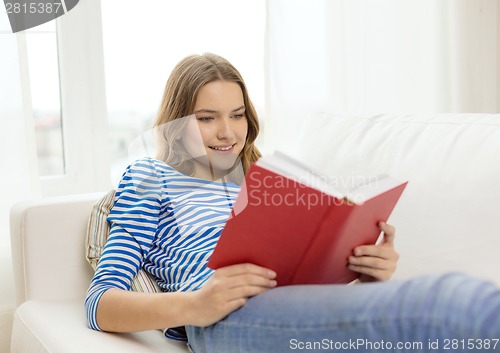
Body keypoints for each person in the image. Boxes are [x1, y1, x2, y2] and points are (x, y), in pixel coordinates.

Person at [86, 53, 500, 352]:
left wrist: (367, 271)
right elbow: (99, 303)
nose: (227, 132)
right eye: (206, 117)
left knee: (442, 309)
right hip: (223, 318)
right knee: (449, 303)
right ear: (177, 124)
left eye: (237, 114)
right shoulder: (150, 177)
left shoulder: (264, 178)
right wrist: (196, 305)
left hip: (293, 305)